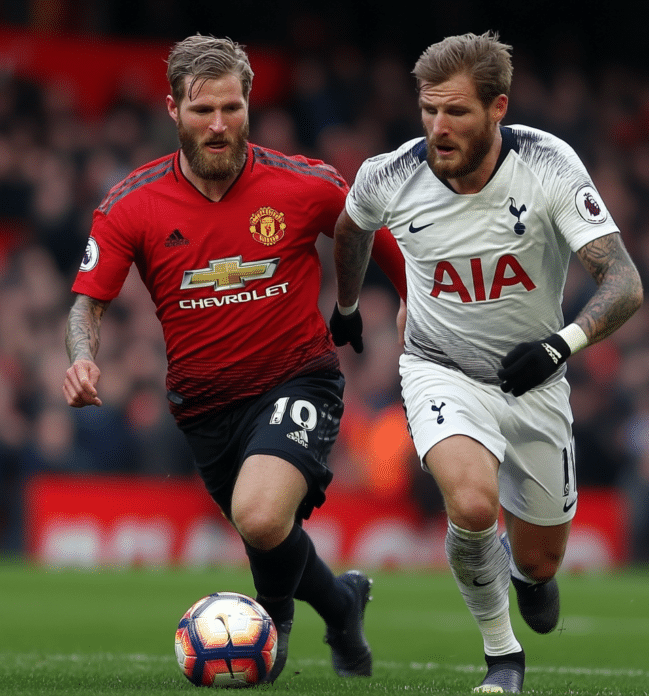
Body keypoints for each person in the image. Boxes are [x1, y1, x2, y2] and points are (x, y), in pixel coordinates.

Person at [62, 34, 406, 683]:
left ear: (248, 103)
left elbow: (370, 228)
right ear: (172, 109)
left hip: (299, 376)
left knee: (259, 514)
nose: (219, 126)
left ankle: (268, 633)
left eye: (232, 108)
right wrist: (82, 358)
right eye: (202, 111)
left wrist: (410, 299)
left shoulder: (303, 184)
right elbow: (87, 304)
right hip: (204, 407)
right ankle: (342, 604)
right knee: (267, 530)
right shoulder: (131, 204)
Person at [330, 32, 643, 693]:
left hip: (537, 380)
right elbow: (352, 226)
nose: (438, 129)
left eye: (457, 113)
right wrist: (350, 303)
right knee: (471, 507)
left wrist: (561, 345)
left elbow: (624, 282)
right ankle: (503, 658)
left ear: (498, 108)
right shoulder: (389, 173)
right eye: (428, 111)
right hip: (439, 366)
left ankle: (531, 578)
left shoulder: (549, 165)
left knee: (541, 558)